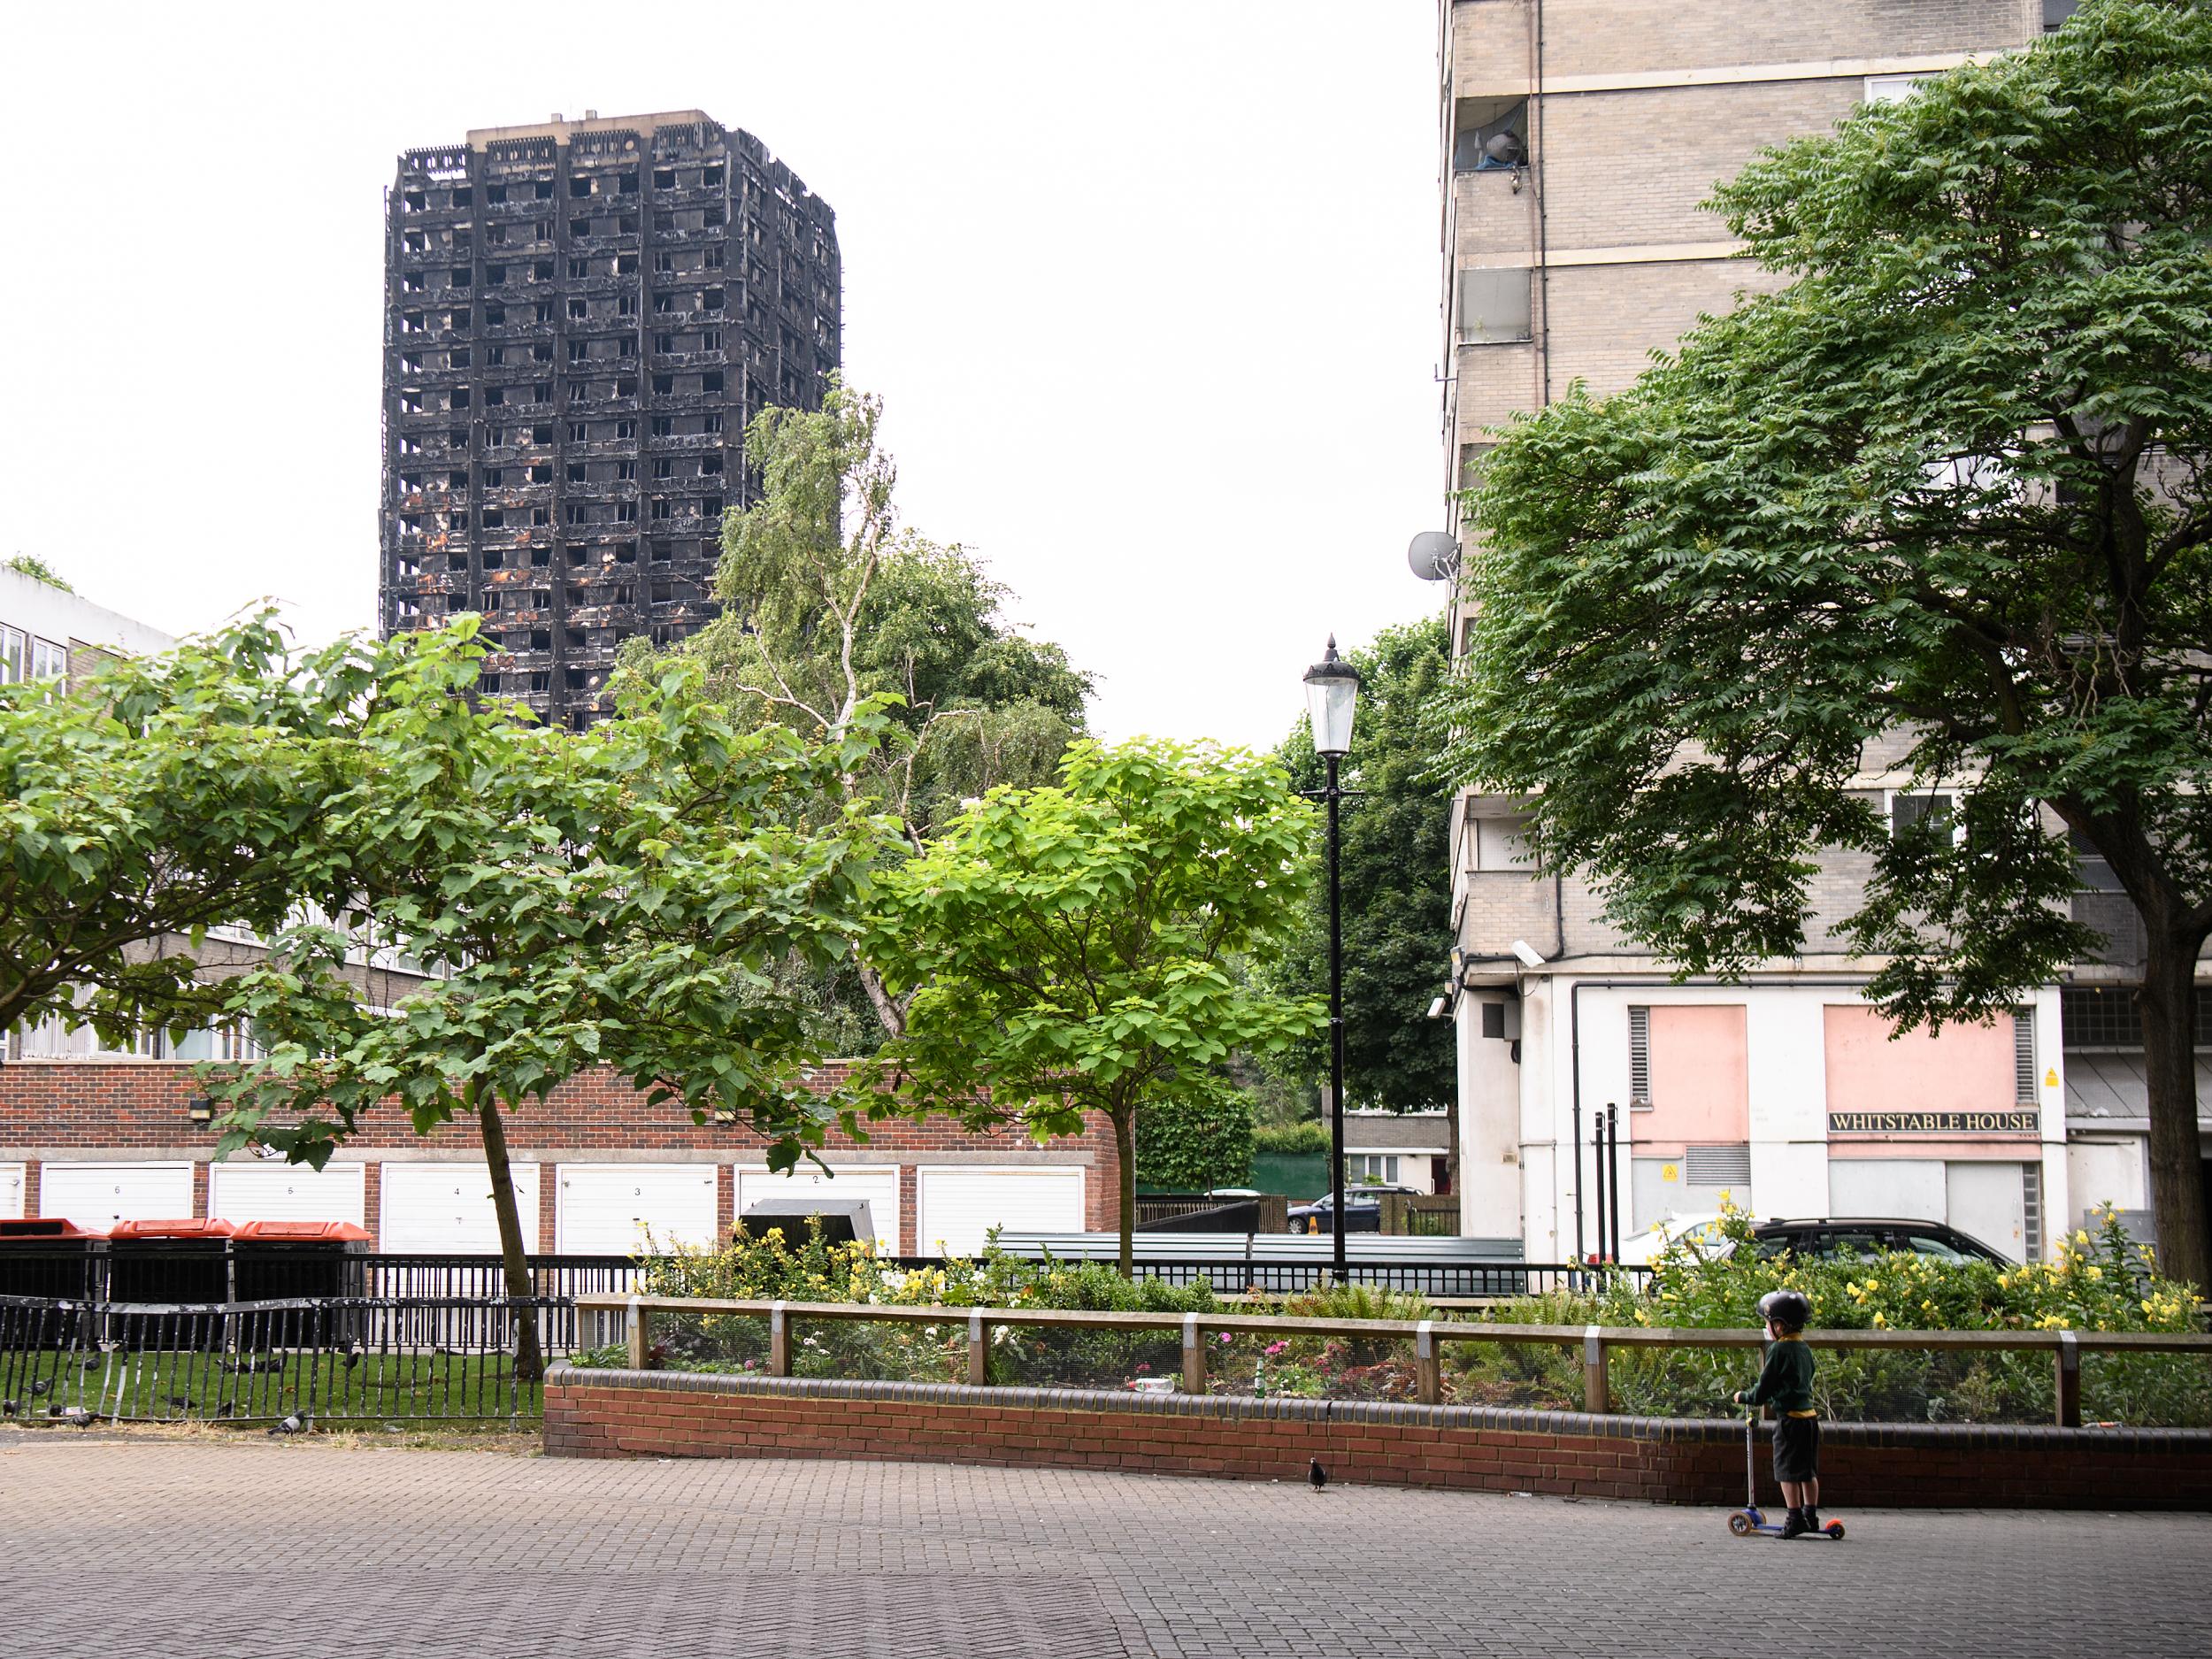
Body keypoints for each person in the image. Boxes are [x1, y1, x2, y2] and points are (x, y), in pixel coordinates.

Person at [1733, 1287, 1823, 1538]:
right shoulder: (1803, 1347)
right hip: (1809, 1418)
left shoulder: (1780, 1350)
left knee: (1787, 1471)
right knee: (1807, 1471)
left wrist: (1746, 1396)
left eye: (1768, 1322)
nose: (1767, 1326)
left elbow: (1765, 1385)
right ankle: (1810, 1515)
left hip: (1790, 1421)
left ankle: (1794, 1518)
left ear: (1780, 1325)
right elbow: (1805, 1377)